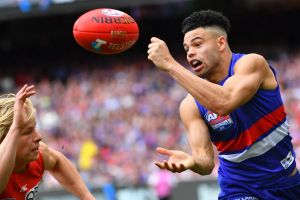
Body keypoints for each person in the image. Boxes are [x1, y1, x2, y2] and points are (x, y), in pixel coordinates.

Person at [147, 9, 300, 199]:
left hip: (286, 185)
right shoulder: (190, 106)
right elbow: (205, 163)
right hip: (238, 188)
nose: (190, 53)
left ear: (221, 43)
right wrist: (192, 162)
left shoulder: (252, 63)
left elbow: (224, 101)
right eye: (187, 49)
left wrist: (170, 65)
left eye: (197, 44)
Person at [0, 84, 95, 200]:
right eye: (26, 132)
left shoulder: (39, 155)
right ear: (3, 138)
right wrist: (16, 127)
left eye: (34, 128)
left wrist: (87, 197)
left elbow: (58, 163)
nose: (39, 137)